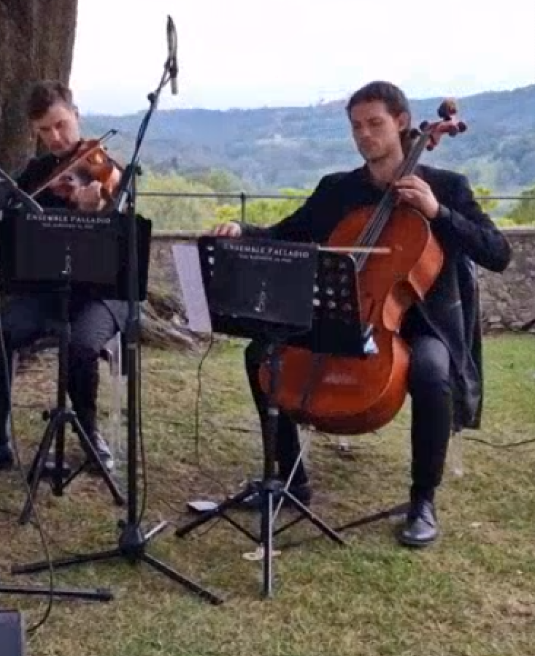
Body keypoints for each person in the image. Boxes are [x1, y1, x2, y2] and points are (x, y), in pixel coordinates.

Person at [209, 80, 511, 548]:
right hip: (351, 311)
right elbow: (288, 233)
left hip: (422, 323)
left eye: (375, 123)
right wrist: (242, 229)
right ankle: (291, 480)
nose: (364, 135)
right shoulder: (339, 190)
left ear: (402, 123)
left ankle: (422, 500)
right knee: (261, 354)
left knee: (432, 371)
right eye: (356, 126)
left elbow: (498, 252)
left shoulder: (447, 187)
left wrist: (437, 212)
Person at [0, 80, 125, 480]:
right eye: (45, 131)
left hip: (101, 295)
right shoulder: (39, 171)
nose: (55, 138)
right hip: (50, 289)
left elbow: (123, 230)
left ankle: (90, 434)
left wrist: (97, 211)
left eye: (61, 125)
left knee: (81, 344)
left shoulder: (108, 171)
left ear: (76, 115)